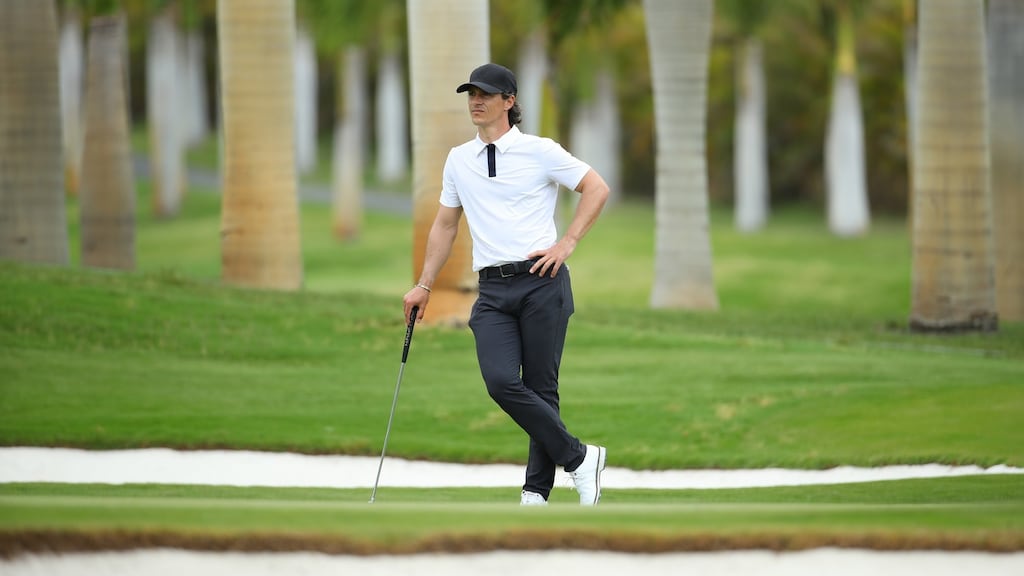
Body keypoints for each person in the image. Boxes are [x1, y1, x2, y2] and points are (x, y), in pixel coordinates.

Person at [402, 63, 611, 506]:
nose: (476, 101)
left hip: (541, 282)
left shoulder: (540, 150)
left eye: (486, 94)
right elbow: (445, 224)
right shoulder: (459, 159)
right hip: (492, 290)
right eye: (471, 94)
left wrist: (567, 243)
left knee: (541, 388)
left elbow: (596, 188)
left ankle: (535, 492)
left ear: (509, 101)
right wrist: (424, 284)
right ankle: (580, 458)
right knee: (500, 381)